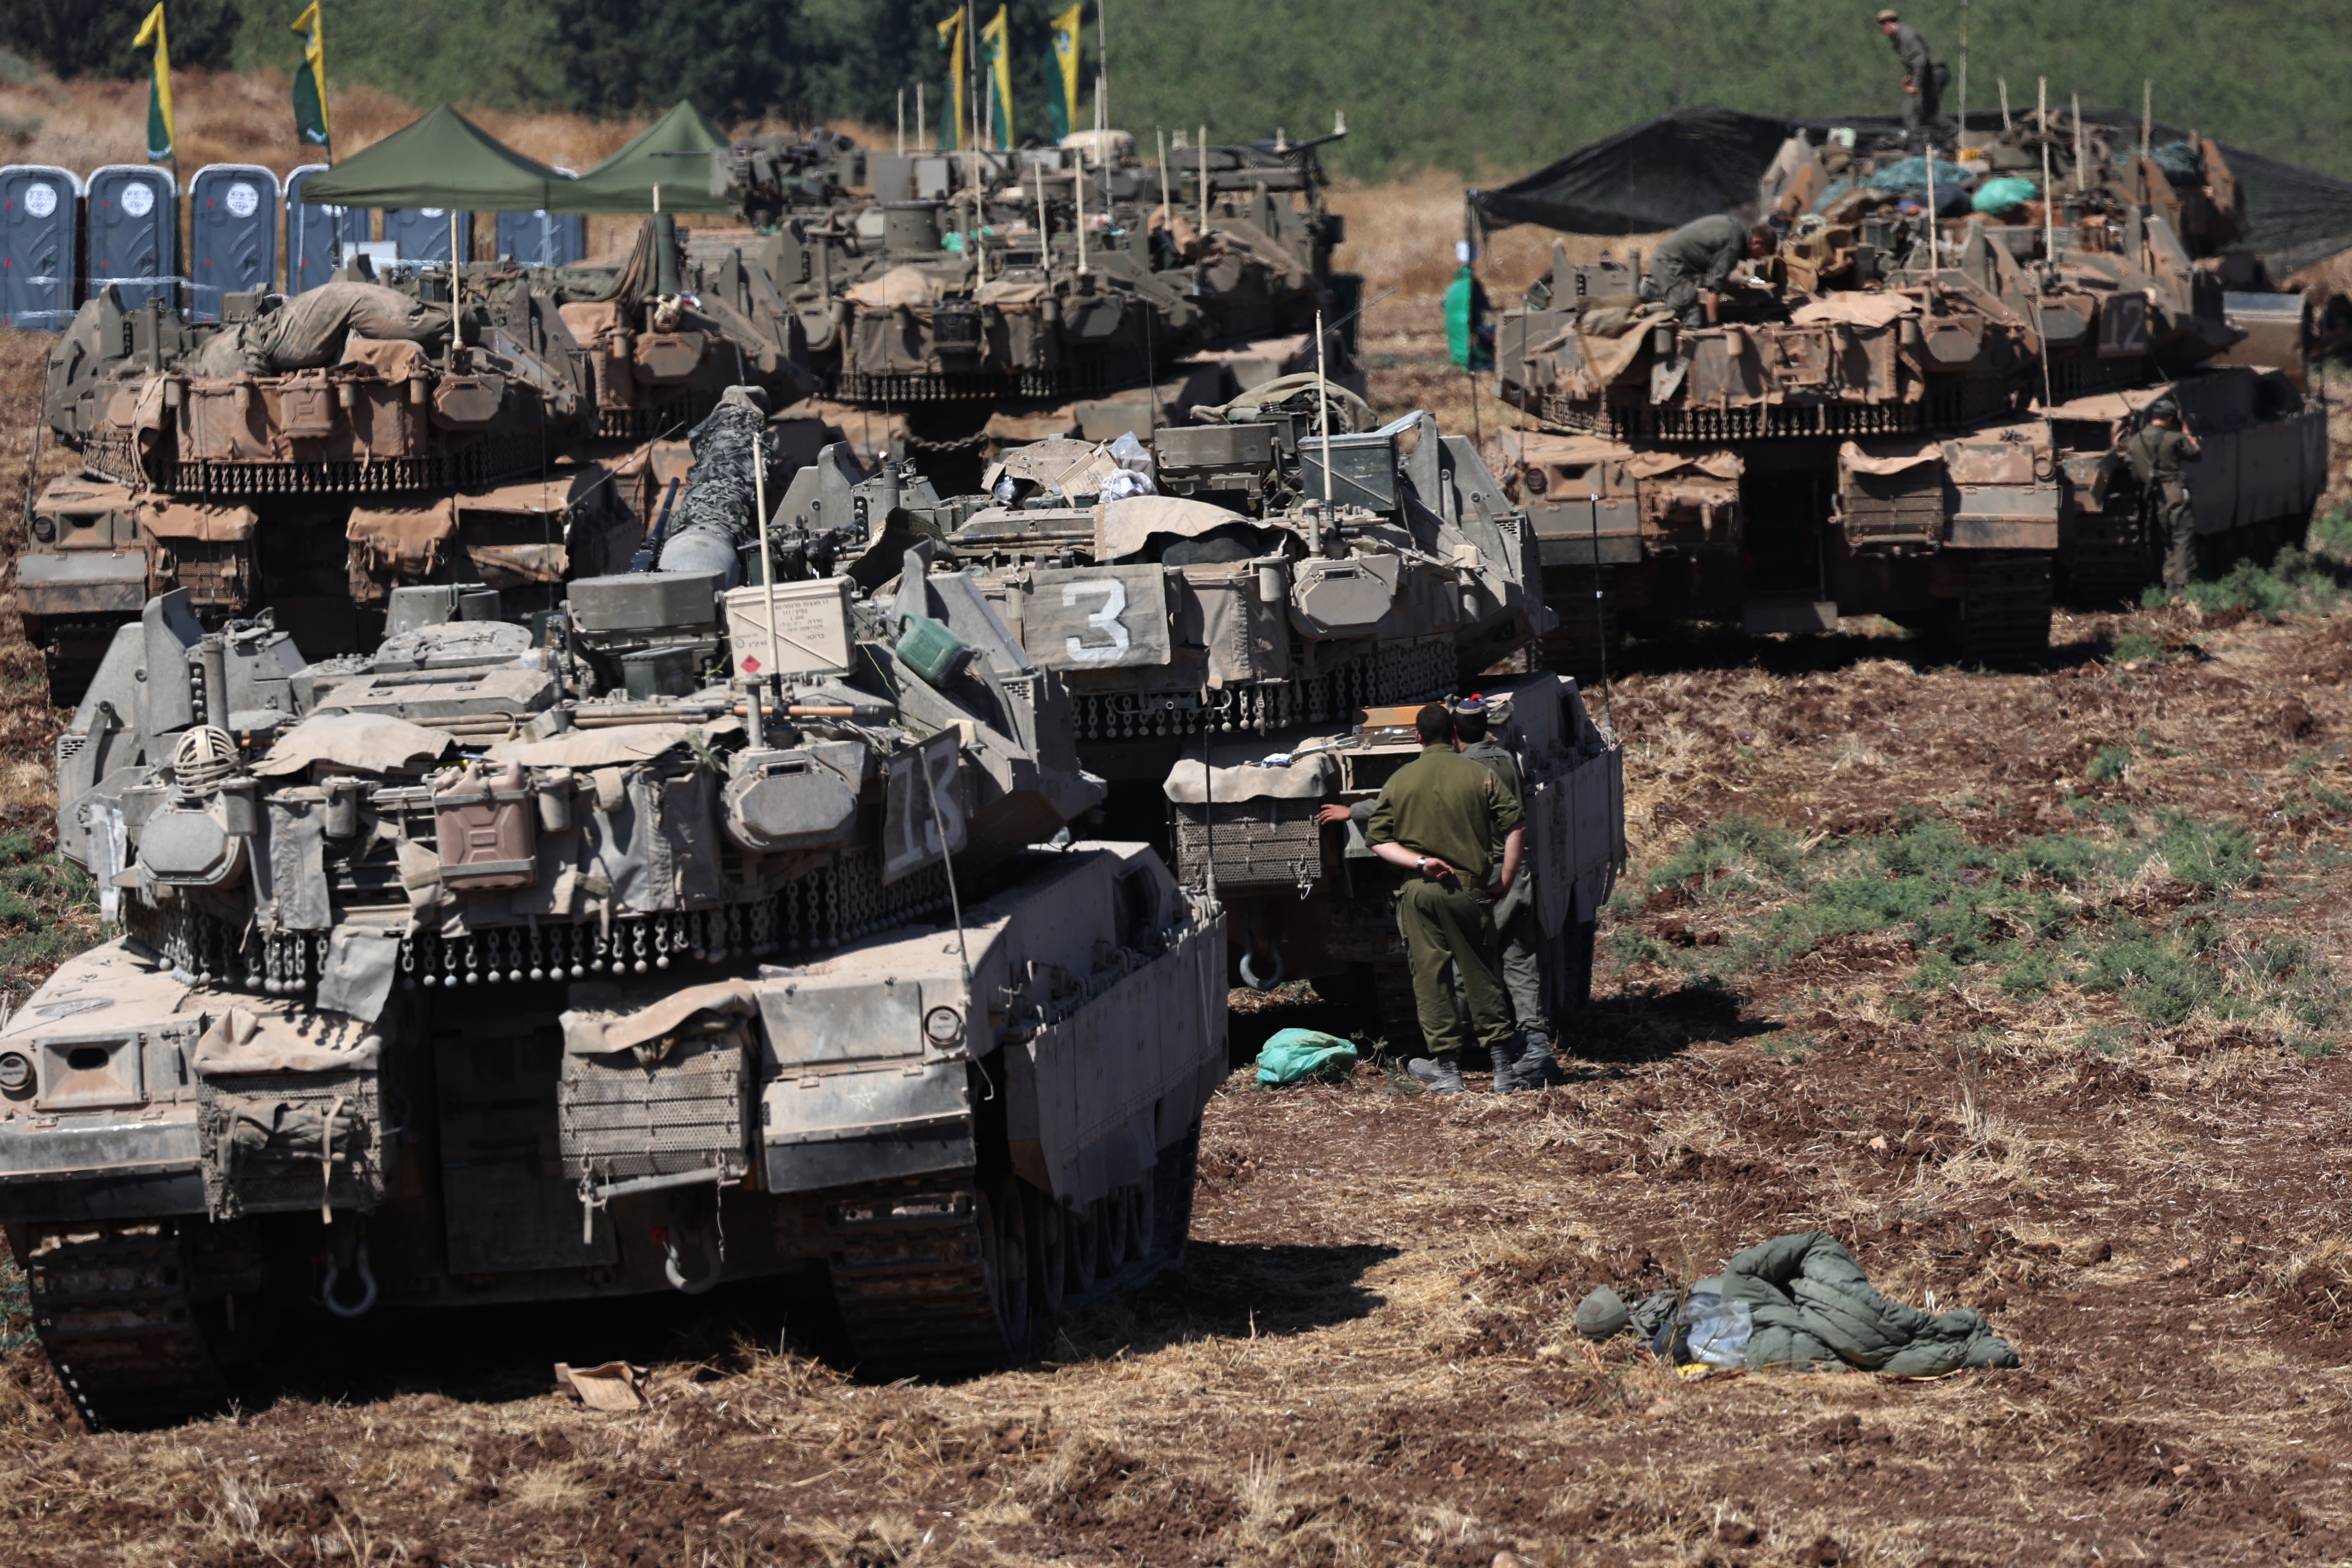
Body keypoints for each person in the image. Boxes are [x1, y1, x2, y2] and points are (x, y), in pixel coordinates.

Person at [1360, 703, 1525, 1095]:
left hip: (1419, 892)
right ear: (1454, 733)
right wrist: (1505, 878)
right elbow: (1515, 823)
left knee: (1431, 978)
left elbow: (1379, 839)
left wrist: (1420, 862)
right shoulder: (1479, 774)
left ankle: (1448, 1071)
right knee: (1481, 973)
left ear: (1417, 736)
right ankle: (1503, 1069)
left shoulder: (1400, 780)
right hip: (1469, 890)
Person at [1449, 695, 1570, 1088]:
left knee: (1468, 965)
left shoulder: (1461, 769)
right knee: (1520, 961)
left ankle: (1462, 1051)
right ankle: (1538, 1047)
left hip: (1483, 875)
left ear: (1455, 734)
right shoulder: (1505, 759)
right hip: (1515, 873)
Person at [2126, 398, 2202, 594]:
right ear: (2170, 419)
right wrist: (2187, 432)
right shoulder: (2174, 438)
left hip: (2155, 497)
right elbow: (2196, 454)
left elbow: (2134, 473)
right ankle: (2182, 589)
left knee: (2167, 541)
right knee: (2183, 539)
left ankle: (2170, 586)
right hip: (2175, 493)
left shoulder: (2135, 441)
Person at [1646, 215, 1776, 328]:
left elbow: (1716, 271)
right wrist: (1713, 324)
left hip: (1674, 263)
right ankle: (1690, 354)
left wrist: (1727, 285)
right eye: (1762, 254)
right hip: (1669, 264)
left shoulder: (1738, 230)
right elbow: (1713, 288)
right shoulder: (1733, 244)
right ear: (1756, 242)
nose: (1759, 259)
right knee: (1690, 314)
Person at [1876, 10, 1948, 150]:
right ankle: (1917, 144)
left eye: (1891, 21)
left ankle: (1958, 137)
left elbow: (1919, 60)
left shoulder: (1906, 35)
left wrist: (1915, 85)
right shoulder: (1898, 38)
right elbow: (1915, 63)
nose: (1887, 25)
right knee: (1910, 109)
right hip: (1928, 74)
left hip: (1935, 73)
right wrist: (1910, 79)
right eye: (1882, 23)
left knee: (1927, 112)